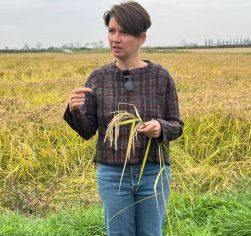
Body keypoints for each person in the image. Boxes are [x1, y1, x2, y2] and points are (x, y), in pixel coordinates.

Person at [63, 1, 184, 235]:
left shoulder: (160, 77)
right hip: (112, 174)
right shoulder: (99, 78)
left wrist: (160, 127)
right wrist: (75, 110)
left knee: (151, 233)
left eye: (123, 32)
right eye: (111, 31)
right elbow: (88, 131)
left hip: (153, 172)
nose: (115, 38)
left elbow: (177, 125)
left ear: (141, 38)